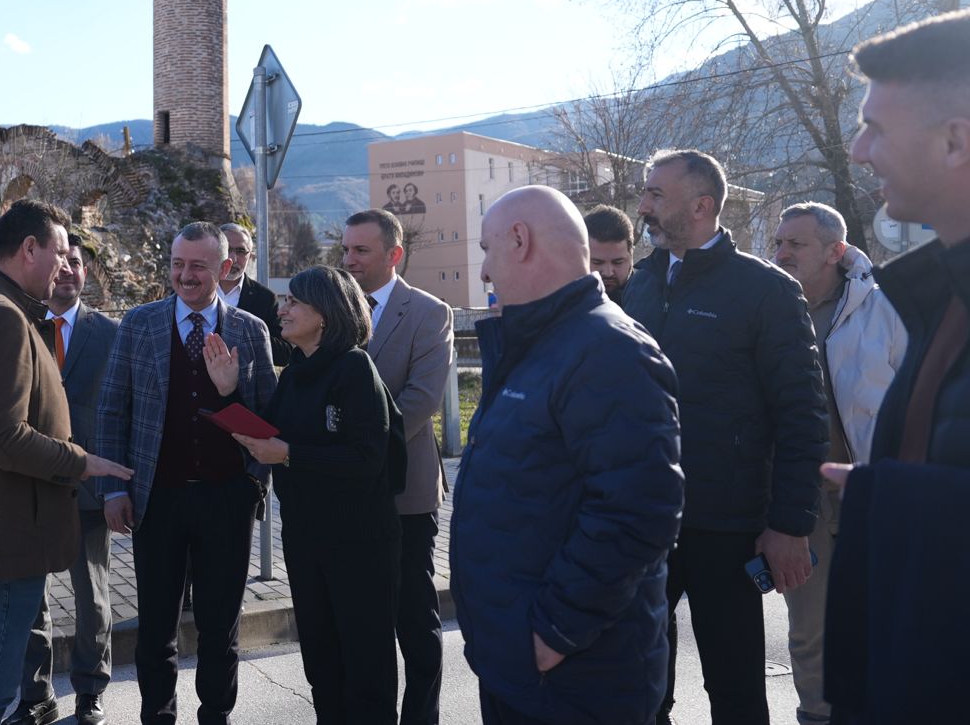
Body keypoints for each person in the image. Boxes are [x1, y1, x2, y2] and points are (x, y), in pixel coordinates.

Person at [452, 186, 683, 725]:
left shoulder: (608, 348)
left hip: (577, 677)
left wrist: (553, 632)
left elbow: (638, 512)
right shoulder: (541, 345)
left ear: (519, 239)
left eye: (487, 250)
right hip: (527, 667)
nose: (484, 272)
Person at [622, 149, 827, 725]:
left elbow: (802, 415)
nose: (644, 207)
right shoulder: (640, 284)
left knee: (735, 692)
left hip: (726, 527)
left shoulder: (765, 291)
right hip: (643, 522)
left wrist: (789, 523)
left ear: (702, 205)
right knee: (638, 687)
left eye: (656, 195)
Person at [0, 200, 132, 725]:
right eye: (58, 253)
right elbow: (4, 437)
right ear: (29, 248)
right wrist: (82, 462)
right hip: (0, 541)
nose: (65, 266)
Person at [823, 10, 970, 722]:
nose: (857, 150)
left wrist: (894, 500)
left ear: (955, 140)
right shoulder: (941, 297)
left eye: (875, 126)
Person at [95, 221, 277, 725]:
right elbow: (112, 411)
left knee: (221, 625)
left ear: (224, 268)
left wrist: (230, 391)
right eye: (177, 264)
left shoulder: (249, 330)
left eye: (197, 265)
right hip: (158, 500)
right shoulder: (139, 324)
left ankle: (216, 714)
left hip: (227, 499)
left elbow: (267, 424)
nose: (185, 275)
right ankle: (158, 713)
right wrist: (112, 489)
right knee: (156, 624)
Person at [231, 266, 402, 725]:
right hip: (306, 539)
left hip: (358, 542)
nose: (280, 309)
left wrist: (288, 455)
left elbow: (367, 459)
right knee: (321, 661)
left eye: (293, 302)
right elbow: (271, 434)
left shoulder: (354, 368)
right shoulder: (298, 373)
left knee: (366, 666)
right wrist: (229, 392)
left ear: (324, 314)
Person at [769, 202, 906, 725]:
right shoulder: (770, 309)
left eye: (795, 244)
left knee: (891, 621)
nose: (781, 254)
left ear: (836, 251)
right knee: (811, 635)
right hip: (805, 504)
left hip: (877, 491)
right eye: (778, 243)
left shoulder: (885, 307)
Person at [339, 209, 453, 725]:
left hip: (404, 492)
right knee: (363, 623)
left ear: (394, 255)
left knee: (415, 620)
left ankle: (421, 717)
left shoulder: (428, 313)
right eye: (345, 250)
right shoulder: (335, 309)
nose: (349, 260)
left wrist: (355, 449)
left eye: (361, 251)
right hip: (347, 495)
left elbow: (421, 401)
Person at [5, 238, 121, 725]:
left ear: (86, 273)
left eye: (77, 264)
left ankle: (91, 690)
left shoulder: (111, 333)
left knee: (91, 597)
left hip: (89, 492)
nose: (69, 270)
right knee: (30, 600)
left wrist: (117, 487)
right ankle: (36, 696)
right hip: (32, 485)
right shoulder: (18, 328)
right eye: (63, 263)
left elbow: (120, 412)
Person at [216, 222, 290, 367]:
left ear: (250, 256)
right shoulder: (195, 289)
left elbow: (284, 354)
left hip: (245, 386)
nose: (233, 258)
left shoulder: (265, 298)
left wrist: (247, 336)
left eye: (241, 251)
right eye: (227, 249)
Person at [583, 204, 634, 307]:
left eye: (618, 262)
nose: (608, 273)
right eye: (597, 262)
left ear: (631, 256)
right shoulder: (561, 306)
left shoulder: (654, 300)